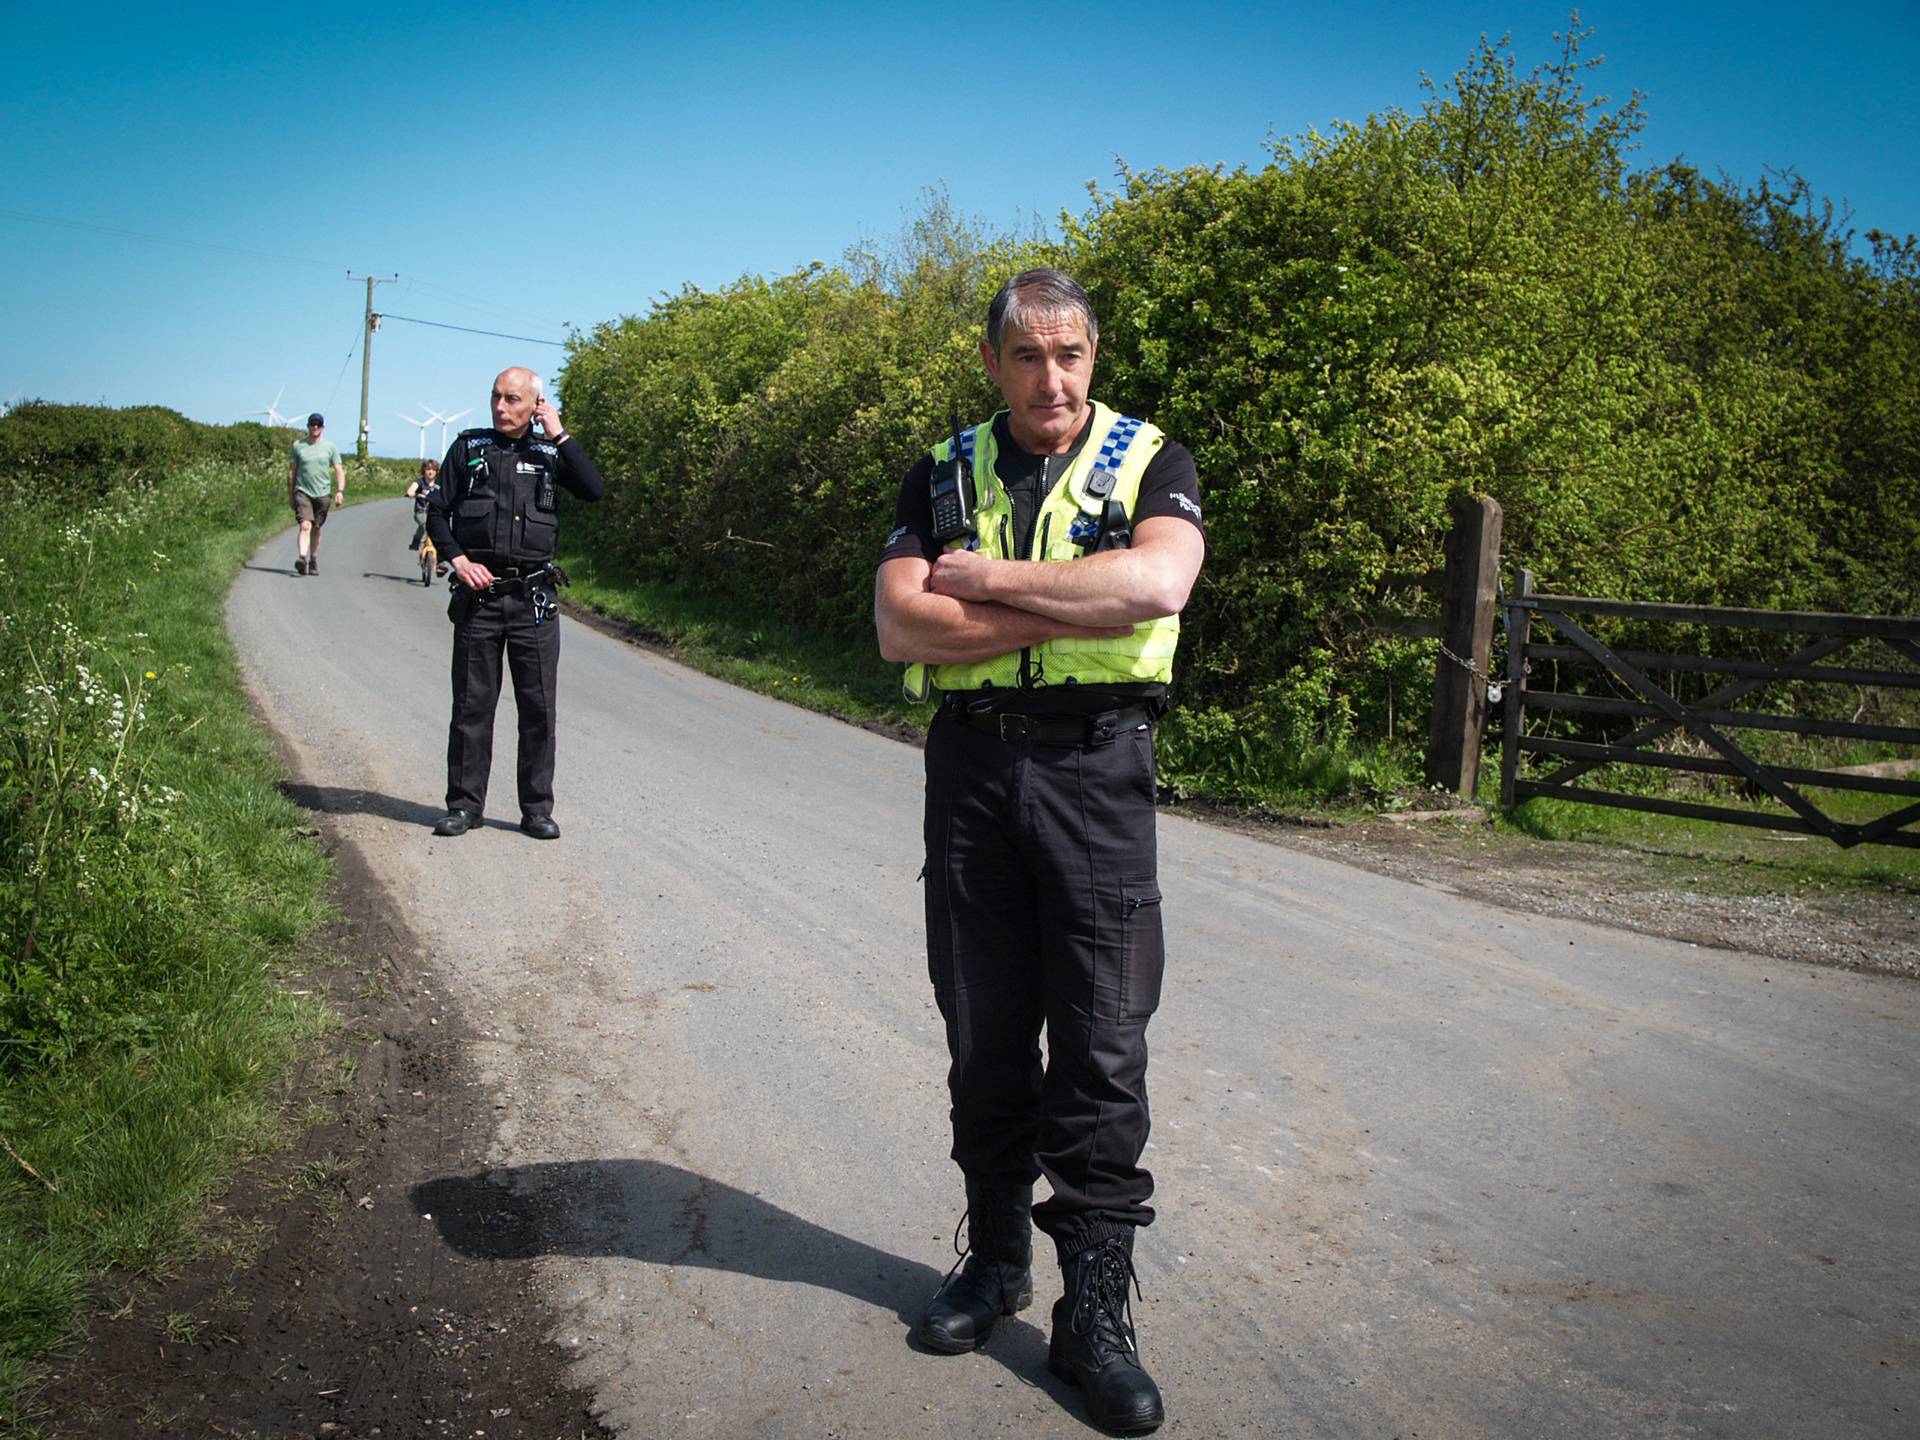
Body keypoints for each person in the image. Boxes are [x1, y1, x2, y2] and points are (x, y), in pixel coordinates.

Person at [874, 268, 1204, 1435]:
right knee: (984, 1030)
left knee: (1105, 1048)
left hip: (1096, 775)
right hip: (970, 774)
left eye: (1069, 355)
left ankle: (1094, 1318)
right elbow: (899, 622)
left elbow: (1159, 581)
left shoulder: (1152, 462)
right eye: (1027, 355)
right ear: (993, 359)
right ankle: (998, 1266)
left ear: (1094, 357)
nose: (1050, 378)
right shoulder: (942, 468)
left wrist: (989, 585)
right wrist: (1080, 603)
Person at [425, 367, 604, 840]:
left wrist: (560, 433)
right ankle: (464, 807)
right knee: (472, 706)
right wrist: (458, 560)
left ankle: (537, 810)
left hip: (534, 601)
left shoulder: (550, 452)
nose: (502, 408)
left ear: (535, 405)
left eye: (513, 400)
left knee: (539, 709)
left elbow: (593, 489)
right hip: (479, 600)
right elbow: (437, 512)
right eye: (496, 398)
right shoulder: (468, 448)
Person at [288, 413, 346, 575]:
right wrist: (291, 494)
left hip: (322, 493)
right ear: (307, 426)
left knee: (316, 527)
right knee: (305, 525)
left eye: (318, 425)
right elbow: (292, 471)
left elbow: (339, 470)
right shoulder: (298, 446)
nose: (315, 427)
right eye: (312, 424)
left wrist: (340, 491)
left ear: (322, 427)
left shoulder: (330, 447)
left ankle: (313, 559)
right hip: (303, 491)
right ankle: (302, 558)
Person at [406, 458, 441, 555]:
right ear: (424, 470)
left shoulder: (439, 483)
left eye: (433, 470)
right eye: (428, 469)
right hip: (422, 511)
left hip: (435, 512)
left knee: (441, 532)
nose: (430, 472)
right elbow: (411, 489)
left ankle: (440, 561)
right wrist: (412, 493)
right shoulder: (420, 482)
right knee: (424, 525)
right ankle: (416, 540)